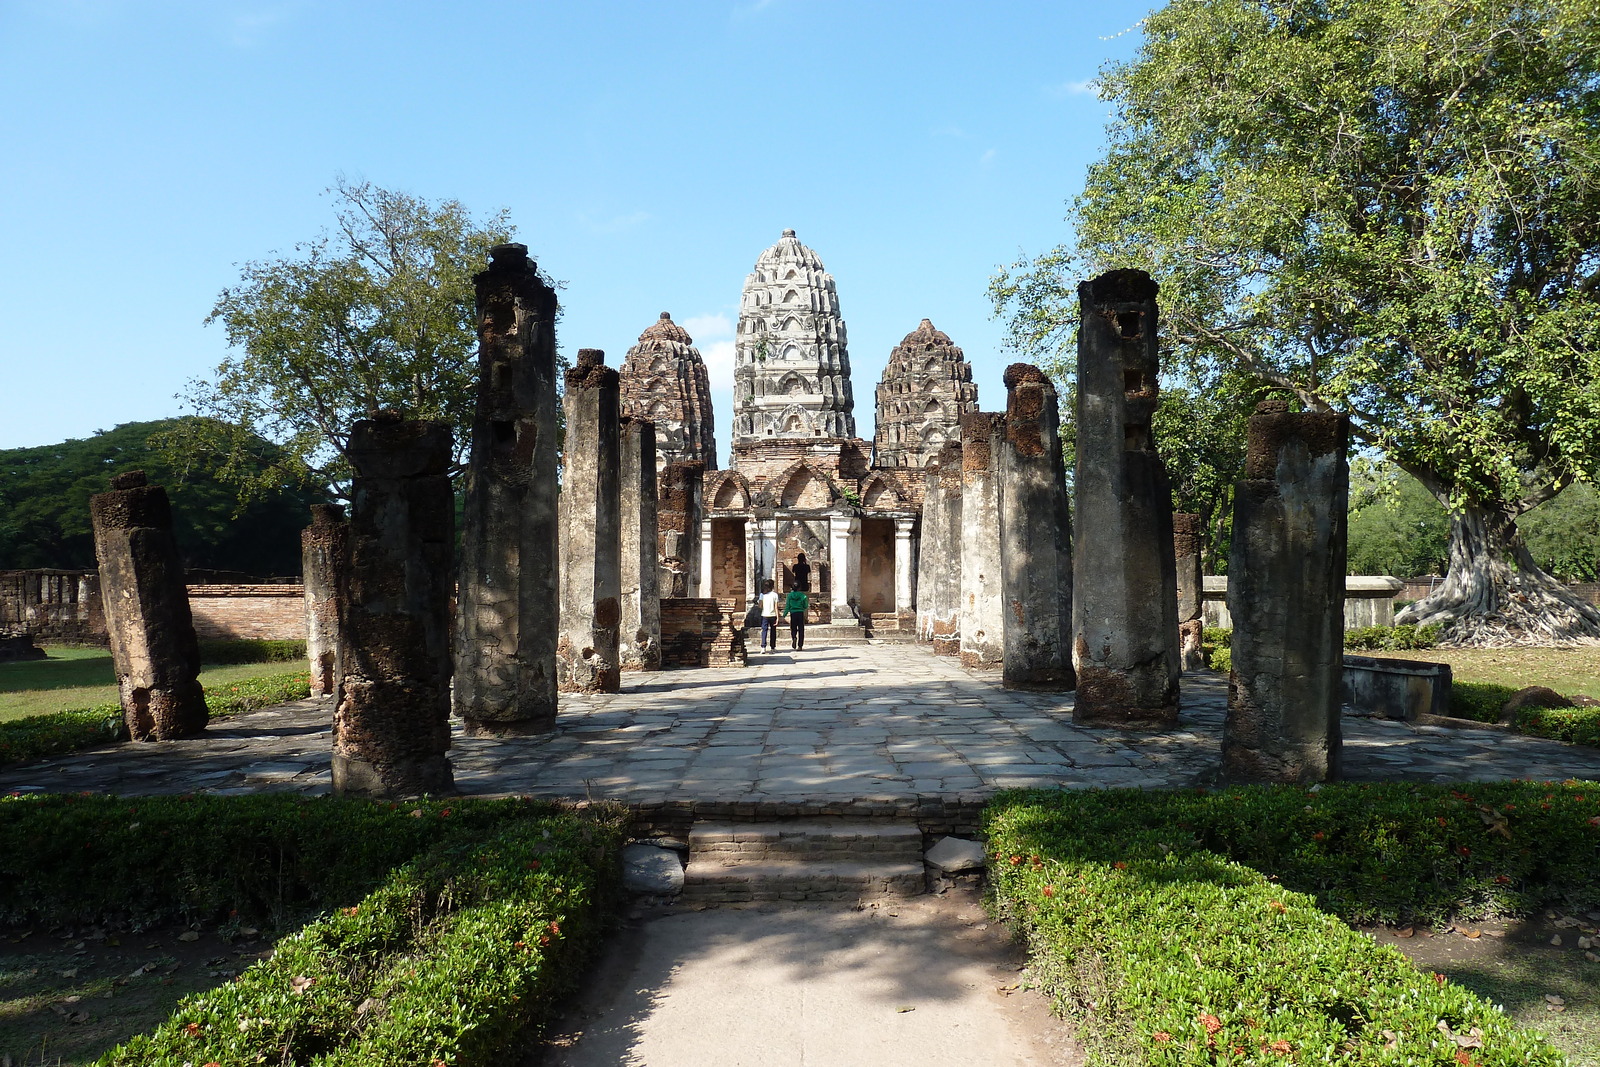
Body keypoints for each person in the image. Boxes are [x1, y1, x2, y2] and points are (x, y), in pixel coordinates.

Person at [784, 583, 809, 650]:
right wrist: (803, 608)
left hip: (793, 613)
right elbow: (806, 605)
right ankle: (800, 645)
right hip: (800, 613)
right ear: (799, 588)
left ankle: (794, 637)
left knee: (793, 628)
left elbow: (787, 606)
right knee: (801, 629)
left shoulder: (789, 596)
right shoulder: (803, 596)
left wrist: (784, 614)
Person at [758, 579, 780, 651]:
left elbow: (760, 606)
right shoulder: (775, 595)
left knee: (764, 630)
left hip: (765, 615)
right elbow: (776, 607)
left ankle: (763, 647)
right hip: (773, 615)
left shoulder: (762, 595)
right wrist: (778, 617)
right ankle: (772, 647)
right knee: (773, 631)